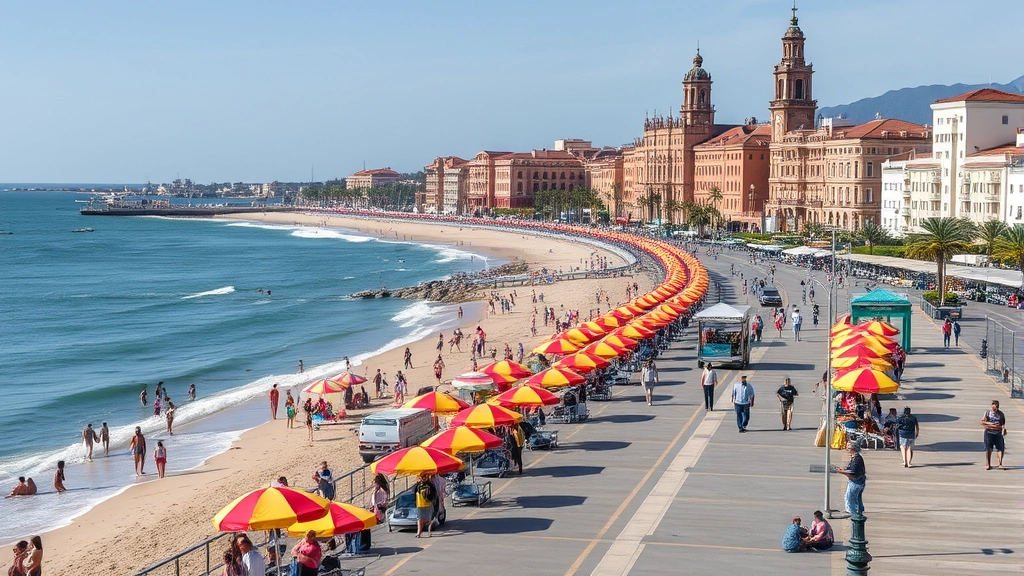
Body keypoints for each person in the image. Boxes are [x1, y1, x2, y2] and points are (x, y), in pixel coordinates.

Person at [836, 441, 866, 515]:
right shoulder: (856, 457)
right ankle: (859, 510)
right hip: (859, 481)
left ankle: (852, 512)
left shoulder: (856, 460)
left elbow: (852, 474)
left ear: (852, 448)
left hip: (856, 482)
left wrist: (842, 472)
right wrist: (843, 470)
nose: (847, 449)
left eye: (848, 447)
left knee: (850, 498)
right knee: (857, 497)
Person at [981, 399, 1007, 470]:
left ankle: (1000, 464)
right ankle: (988, 464)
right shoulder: (988, 413)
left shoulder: (1001, 414)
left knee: (1000, 448)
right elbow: (982, 422)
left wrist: (1004, 429)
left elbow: (1003, 423)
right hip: (989, 432)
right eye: (993, 408)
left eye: (995, 408)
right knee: (989, 448)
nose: (994, 410)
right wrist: (990, 424)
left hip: (998, 433)